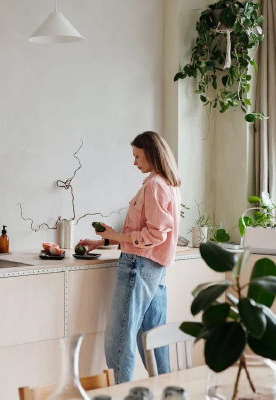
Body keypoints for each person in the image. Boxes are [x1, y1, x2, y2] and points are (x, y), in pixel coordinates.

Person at [79, 131, 181, 384]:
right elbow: (150, 233)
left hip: (138, 265)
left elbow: (154, 234)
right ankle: (167, 391)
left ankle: (121, 393)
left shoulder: (155, 185)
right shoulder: (166, 184)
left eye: (137, 156)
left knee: (120, 338)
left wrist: (116, 236)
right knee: (152, 337)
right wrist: (104, 240)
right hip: (154, 268)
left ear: (151, 153)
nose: (134, 162)